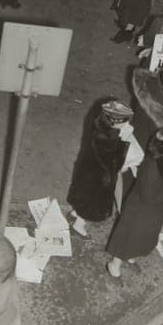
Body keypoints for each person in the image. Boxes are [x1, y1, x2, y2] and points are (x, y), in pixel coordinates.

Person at [105, 124, 163, 277]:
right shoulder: (153, 166)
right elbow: (148, 197)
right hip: (141, 210)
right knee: (128, 236)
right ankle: (114, 265)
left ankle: (129, 256)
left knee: (140, 237)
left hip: (150, 210)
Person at [67, 100, 134, 238]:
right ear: (114, 121)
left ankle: (76, 212)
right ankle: (79, 224)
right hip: (99, 178)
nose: (126, 124)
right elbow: (114, 161)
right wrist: (124, 141)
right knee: (91, 201)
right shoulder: (107, 139)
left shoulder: (99, 125)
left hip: (87, 170)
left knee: (82, 194)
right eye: (124, 122)